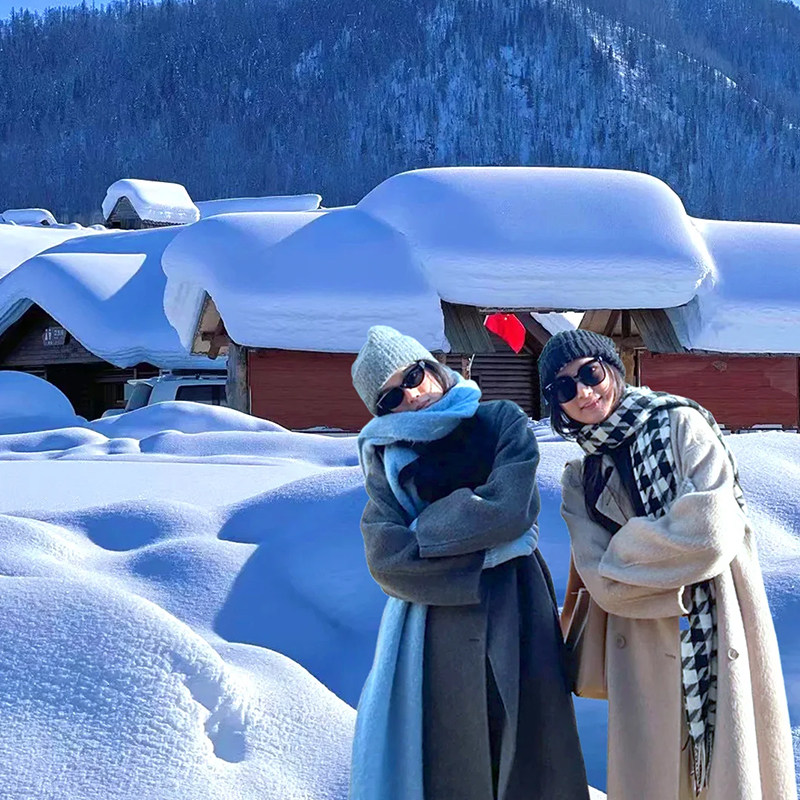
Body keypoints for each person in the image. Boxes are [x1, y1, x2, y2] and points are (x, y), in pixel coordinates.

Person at [539, 329, 796, 800]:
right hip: (637, 646)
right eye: (564, 388)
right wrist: (667, 553)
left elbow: (711, 532)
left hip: (715, 625)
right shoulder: (581, 477)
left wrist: (625, 553)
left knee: (723, 774)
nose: (584, 392)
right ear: (557, 406)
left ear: (610, 367)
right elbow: (602, 583)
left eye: (590, 373)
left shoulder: (681, 424)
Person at [349, 325, 589, 800]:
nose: (411, 395)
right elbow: (386, 559)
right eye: (391, 397)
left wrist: (422, 531)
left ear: (433, 368)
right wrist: (480, 549)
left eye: (414, 375)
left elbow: (511, 508)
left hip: (519, 603)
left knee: (533, 743)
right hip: (436, 622)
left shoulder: (500, 420)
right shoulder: (386, 455)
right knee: (453, 753)